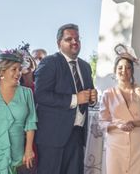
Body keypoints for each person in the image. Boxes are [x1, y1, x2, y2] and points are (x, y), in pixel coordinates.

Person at [34, 23, 97, 174]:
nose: (75, 42)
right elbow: (40, 95)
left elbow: (87, 94)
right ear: (59, 43)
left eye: (77, 39)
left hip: (77, 135)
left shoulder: (85, 67)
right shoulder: (49, 62)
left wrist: (92, 98)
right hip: (53, 137)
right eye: (69, 39)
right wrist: (75, 99)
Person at [100, 45, 140, 174]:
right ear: (115, 70)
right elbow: (102, 122)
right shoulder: (108, 94)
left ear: (132, 71)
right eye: (120, 67)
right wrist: (118, 125)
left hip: (138, 145)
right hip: (116, 145)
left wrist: (134, 123)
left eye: (128, 68)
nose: (124, 70)